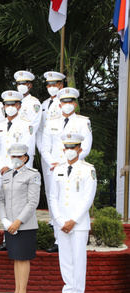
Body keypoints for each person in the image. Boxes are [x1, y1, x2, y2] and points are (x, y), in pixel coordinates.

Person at [40, 87, 92, 254]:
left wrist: (65, 162)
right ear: (59, 104)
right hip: (54, 168)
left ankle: (76, 233)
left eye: (70, 102)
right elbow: (45, 148)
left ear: (75, 104)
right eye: (63, 102)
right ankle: (58, 238)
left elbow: (86, 148)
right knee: (55, 201)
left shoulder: (83, 122)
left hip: (75, 169)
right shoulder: (51, 122)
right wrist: (53, 163)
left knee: (75, 199)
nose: (67, 104)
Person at [49, 134, 96, 293]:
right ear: (63, 150)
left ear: (79, 149)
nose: (69, 151)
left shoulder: (87, 169)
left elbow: (87, 198)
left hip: (78, 223)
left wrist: (73, 220)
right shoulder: (59, 169)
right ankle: (67, 292)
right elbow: (53, 197)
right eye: (67, 148)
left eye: (73, 148)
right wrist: (60, 220)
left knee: (78, 259)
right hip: (62, 222)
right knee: (65, 259)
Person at [0, 90, 37, 252]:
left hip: (17, 170)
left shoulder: (27, 124)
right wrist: (1, 166)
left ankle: (11, 237)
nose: (9, 107)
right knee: (3, 202)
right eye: (6, 105)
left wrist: (11, 168)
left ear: (18, 106)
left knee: (16, 203)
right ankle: (6, 235)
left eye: (12, 104)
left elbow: (27, 150)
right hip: (2, 170)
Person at [0, 143, 41, 293]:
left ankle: (23, 292)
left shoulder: (32, 175)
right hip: (9, 224)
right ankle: (16, 290)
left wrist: (18, 221)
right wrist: (4, 220)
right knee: (15, 259)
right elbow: (0, 200)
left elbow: (32, 202)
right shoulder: (7, 175)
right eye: (13, 156)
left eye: (19, 157)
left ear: (25, 158)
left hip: (25, 224)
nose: (15, 159)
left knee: (23, 259)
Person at [36, 71, 65, 253]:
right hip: (49, 158)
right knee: (51, 192)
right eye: (48, 85)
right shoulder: (44, 105)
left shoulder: (66, 103)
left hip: (64, 157)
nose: (51, 87)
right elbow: (40, 132)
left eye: (55, 84)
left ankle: (62, 232)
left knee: (63, 194)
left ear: (61, 85)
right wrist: (45, 154)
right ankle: (55, 227)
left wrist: (62, 159)